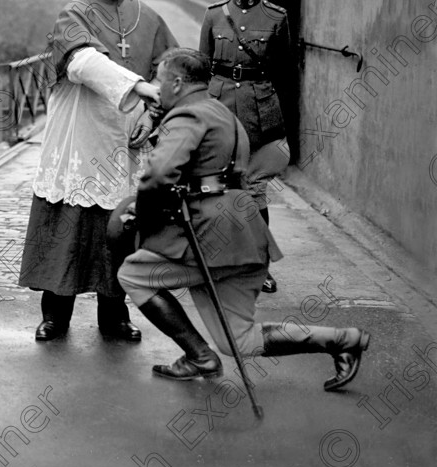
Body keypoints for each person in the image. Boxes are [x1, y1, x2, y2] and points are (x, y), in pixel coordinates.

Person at [116, 48, 369, 391]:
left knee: (134, 274)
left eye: (159, 80)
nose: (156, 87)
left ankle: (198, 357)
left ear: (176, 82)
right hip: (242, 233)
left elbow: (159, 175)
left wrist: (141, 217)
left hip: (208, 234)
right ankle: (343, 339)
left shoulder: (187, 116)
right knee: (240, 340)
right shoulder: (222, 112)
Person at [18, 0, 178, 342]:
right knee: (68, 227)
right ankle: (56, 316)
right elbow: (81, 61)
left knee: (121, 228)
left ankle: (115, 316)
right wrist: (140, 88)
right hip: (80, 140)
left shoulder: (148, 16)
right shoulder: (73, 13)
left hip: (129, 143)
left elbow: (173, 73)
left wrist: (153, 113)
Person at [198, 0, 292, 294]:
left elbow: (284, 76)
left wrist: (285, 127)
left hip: (259, 113)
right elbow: (203, 69)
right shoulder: (213, 15)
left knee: (254, 192)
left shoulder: (276, 18)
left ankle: (258, 266)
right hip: (220, 109)